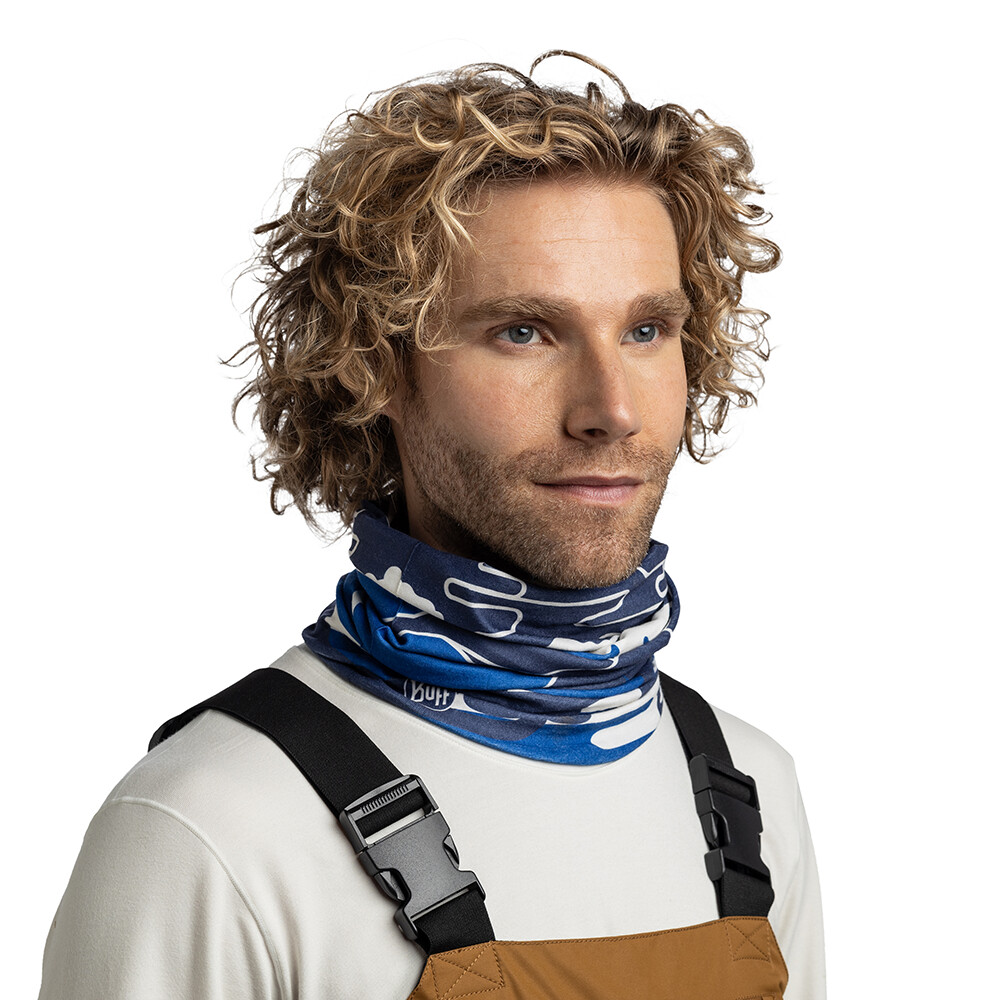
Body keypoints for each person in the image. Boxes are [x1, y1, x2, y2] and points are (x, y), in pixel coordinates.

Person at [38, 52, 825, 1000]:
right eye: (524, 331)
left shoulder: (750, 792)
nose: (611, 410)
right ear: (375, 366)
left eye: (646, 330)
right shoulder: (211, 830)